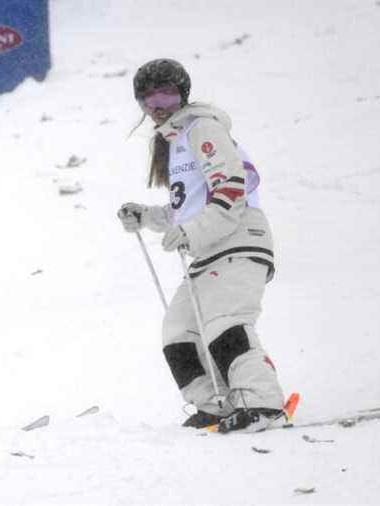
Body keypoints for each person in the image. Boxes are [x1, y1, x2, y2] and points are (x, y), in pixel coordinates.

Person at [117, 59, 285, 433]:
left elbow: (230, 191)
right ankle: (216, 405)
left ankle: (261, 402)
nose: (156, 104)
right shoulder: (174, 141)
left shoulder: (202, 128)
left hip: (239, 239)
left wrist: (194, 231)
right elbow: (187, 208)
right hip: (209, 250)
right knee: (178, 334)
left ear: (183, 94)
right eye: (147, 96)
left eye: (166, 93)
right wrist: (146, 216)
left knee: (225, 323)